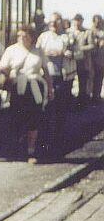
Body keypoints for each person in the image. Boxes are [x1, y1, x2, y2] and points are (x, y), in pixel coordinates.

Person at [0, 25, 54, 160]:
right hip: (17, 88)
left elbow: (46, 71)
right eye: (19, 36)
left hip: (35, 88)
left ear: (32, 37)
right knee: (17, 118)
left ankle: (31, 151)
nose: (22, 38)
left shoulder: (38, 51)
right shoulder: (11, 50)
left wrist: (50, 89)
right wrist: (8, 75)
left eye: (25, 36)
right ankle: (17, 150)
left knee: (33, 119)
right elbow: (2, 67)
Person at [36, 14, 75, 154]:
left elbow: (77, 52)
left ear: (60, 22)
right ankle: (44, 141)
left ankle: (58, 141)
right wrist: (53, 52)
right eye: (51, 22)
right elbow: (37, 52)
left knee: (60, 109)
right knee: (46, 108)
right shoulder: (43, 36)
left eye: (56, 22)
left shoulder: (67, 37)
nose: (53, 24)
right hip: (46, 75)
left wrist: (68, 53)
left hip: (62, 77)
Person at [70, 14, 93, 105]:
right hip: (71, 60)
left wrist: (80, 48)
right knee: (70, 80)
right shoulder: (70, 32)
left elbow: (91, 45)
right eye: (75, 20)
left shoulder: (87, 32)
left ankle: (82, 101)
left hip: (83, 61)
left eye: (78, 20)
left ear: (82, 21)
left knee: (82, 81)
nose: (76, 22)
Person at [91, 14, 104, 103]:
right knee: (92, 78)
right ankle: (91, 95)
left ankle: (97, 96)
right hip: (92, 58)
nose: (97, 23)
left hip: (101, 58)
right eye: (96, 21)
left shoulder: (103, 31)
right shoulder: (91, 31)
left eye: (99, 21)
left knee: (99, 78)